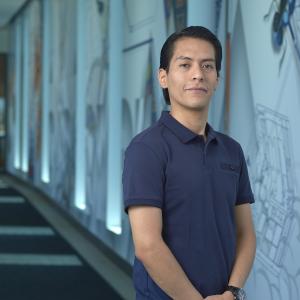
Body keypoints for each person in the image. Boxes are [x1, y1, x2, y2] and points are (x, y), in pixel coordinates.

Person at [122, 26, 256, 300]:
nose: (198, 74)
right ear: (163, 77)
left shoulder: (232, 151)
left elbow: (245, 234)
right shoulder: (147, 149)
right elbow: (147, 245)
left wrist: (232, 291)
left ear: (217, 79)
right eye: (185, 64)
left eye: (208, 66)